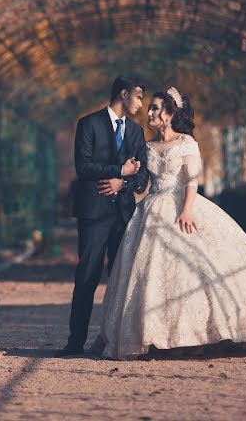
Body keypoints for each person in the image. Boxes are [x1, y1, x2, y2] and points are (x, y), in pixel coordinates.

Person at [96, 87, 246, 359]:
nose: (150, 112)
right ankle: (162, 336)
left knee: (200, 269)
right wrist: (126, 176)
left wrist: (186, 211)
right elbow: (143, 183)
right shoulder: (147, 147)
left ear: (169, 114)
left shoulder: (187, 144)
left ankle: (204, 335)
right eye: (151, 107)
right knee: (152, 275)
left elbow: (192, 180)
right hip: (152, 209)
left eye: (156, 108)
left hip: (182, 205)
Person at [57, 76, 149, 357]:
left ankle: (118, 341)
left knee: (123, 279)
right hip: (94, 213)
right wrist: (120, 171)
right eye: (138, 97)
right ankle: (75, 342)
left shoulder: (135, 132)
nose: (141, 104)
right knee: (87, 275)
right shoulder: (89, 124)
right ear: (123, 94)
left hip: (123, 215)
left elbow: (142, 178)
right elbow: (83, 167)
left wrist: (124, 183)